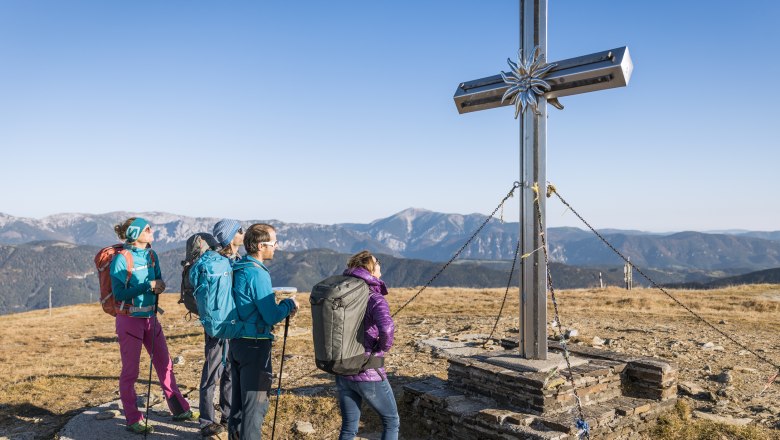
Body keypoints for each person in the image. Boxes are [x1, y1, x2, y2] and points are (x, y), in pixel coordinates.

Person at [110, 217, 198, 434]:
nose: (152, 231)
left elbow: (157, 280)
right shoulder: (122, 259)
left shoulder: (151, 255)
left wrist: (159, 286)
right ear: (135, 233)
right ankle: (133, 418)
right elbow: (119, 294)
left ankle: (179, 409)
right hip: (129, 320)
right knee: (131, 371)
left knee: (165, 364)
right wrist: (147, 285)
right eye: (147, 229)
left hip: (151, 318)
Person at [228, 223, 299, 440]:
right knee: (255, 408)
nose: (276, 247)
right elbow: (270, 316)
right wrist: (289, 305)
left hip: (237, 342)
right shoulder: (258, 274)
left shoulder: (239, 267)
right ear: (261, 246)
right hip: (256, 346)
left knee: (239, 405)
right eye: (274, 243)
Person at [336, 251, 399, 440]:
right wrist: (382, 349)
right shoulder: (374, 298)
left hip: (343, 369)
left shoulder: (342, 293)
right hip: (368, 371)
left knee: (348, 427)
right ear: (369, 268)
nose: (380, 264)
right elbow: (387, 329)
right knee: (391, 421)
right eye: (376, 262)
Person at [198, 219, 245, 437]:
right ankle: (206, 420)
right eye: (240, 230)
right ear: (230, 236)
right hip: (218, 326)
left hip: (232, 324)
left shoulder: (235, 259)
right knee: (213, 373)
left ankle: (227, 415)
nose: (243, 233)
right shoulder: (215, 262)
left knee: (229, 372)